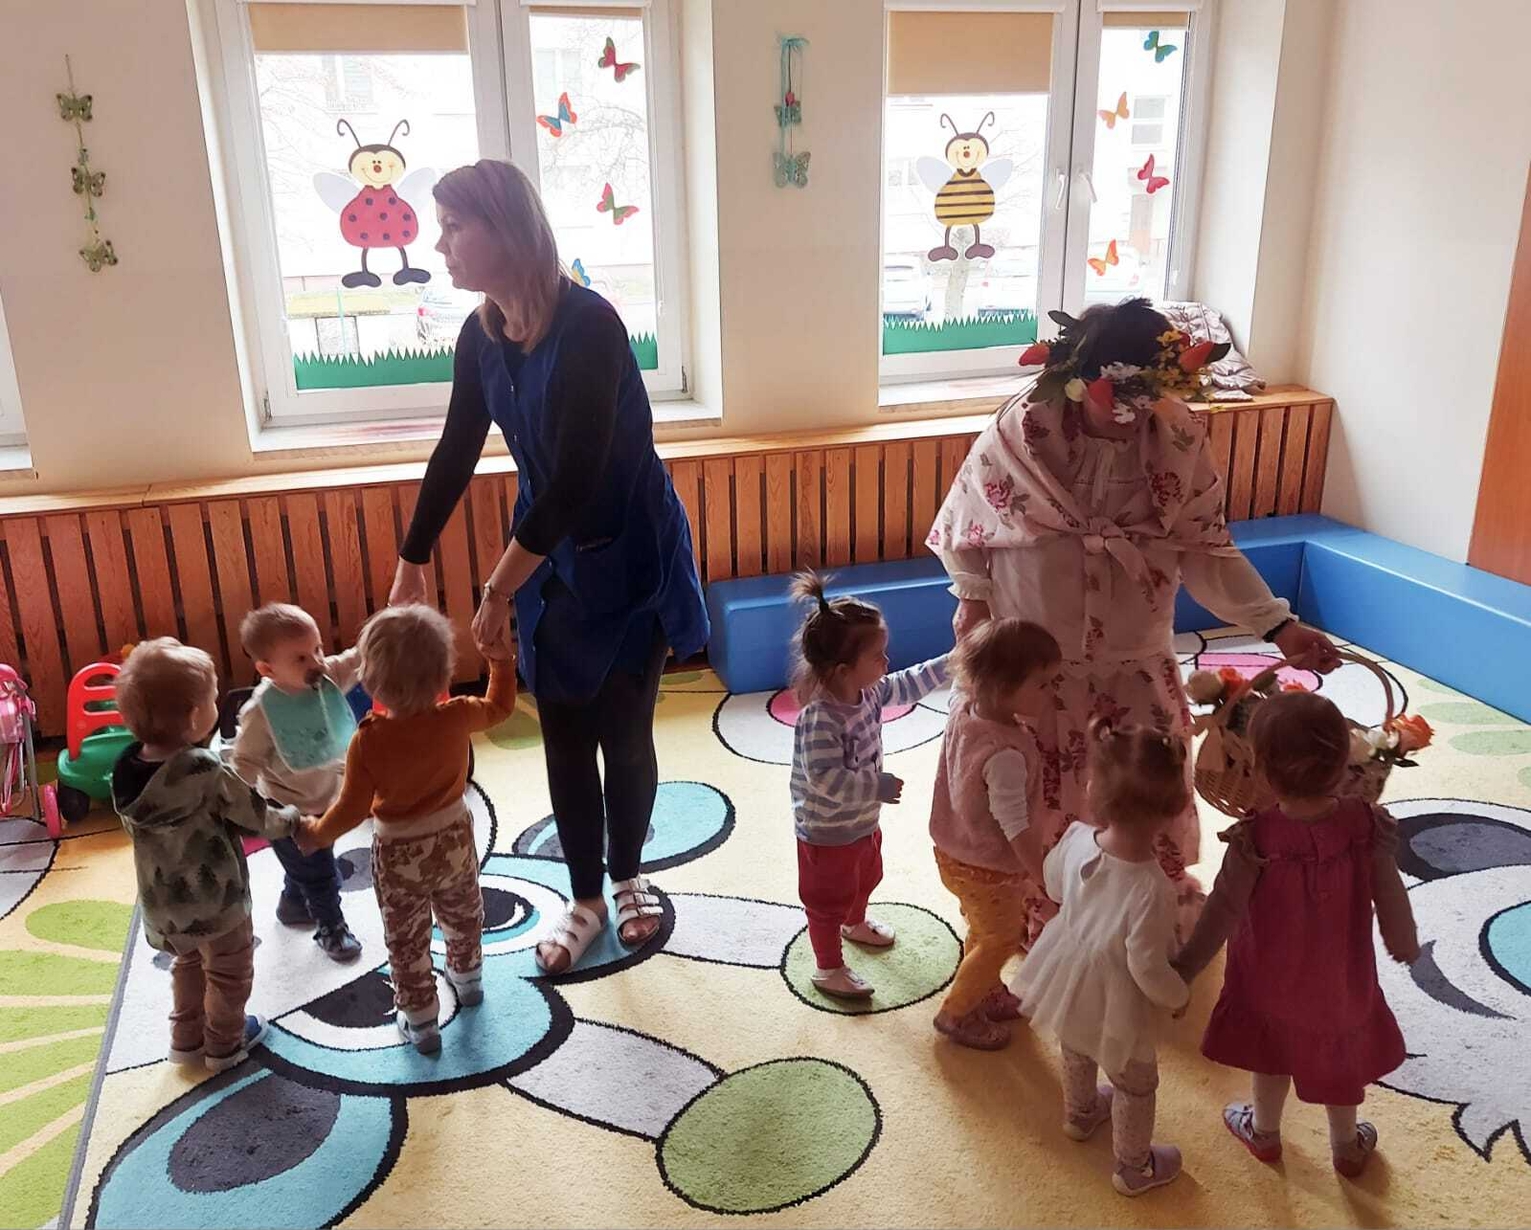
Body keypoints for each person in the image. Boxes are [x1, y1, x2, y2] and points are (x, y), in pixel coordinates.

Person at [389, 160, 707, 976]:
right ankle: (585, 898)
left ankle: (628, 876)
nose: (438, 245)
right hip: (550, 557)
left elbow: (575, 478)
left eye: (453, 227)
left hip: (629, 553)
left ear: (506, 231)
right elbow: (457, 448)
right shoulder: (480, 334)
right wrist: (412, 558)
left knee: (625, 734)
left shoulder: (591, 325)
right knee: (563, 736)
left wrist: (496, 589)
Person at [927, 300, 1340, 926]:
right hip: (1038, 651)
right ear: (1081, 378)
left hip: (1132, 649)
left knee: (1140, 778)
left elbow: (1207, 549)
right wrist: (974, 598)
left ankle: (1138, 895)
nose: (1129, 415)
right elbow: (968, 522)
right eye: (1115, 399)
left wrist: (1278, 626)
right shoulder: (1024, 430)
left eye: (1146, 400)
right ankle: (1042, 903)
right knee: (1031, 785)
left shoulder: (1177, 437)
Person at [1173, 691, 1420, 1178]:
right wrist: (1403, 940)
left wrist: (1185, 968)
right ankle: (1346, 1145)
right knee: (1338, 1058)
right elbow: (1388, 886)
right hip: (1340, 980)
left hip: (1267, 980)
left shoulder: (1254, 837)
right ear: (1344, 765)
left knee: (1271, 1052)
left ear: (1261, 770)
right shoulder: (1365, 824)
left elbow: (1222, 909)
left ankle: (1264, 1133)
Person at [298, 605, 516, 1054]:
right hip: (454, 840)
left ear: (371, 684)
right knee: (463, 912)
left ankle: (421, 1020)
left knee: (407, 937)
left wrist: (317, 833)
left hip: (400, 855)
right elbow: (500, 706)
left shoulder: (369, 740)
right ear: (445, 675)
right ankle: (468, 979)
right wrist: (500, 662)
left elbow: (351, 809)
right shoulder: (457, 715)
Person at [1012, 719, 1192, 1197]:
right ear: (1173, 811)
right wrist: (1177, 996)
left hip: (1065, 967)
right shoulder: (1153, 887)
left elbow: (1054, 886)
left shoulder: (1074, 837)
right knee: (1135, 1080)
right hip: (1116, 994)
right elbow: (1146, 964)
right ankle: (1133, 1166)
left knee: (1075, 1043)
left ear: (1094, 790)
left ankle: (1080, 1112)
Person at [111, 638, 308, 1072]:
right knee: (229, 971)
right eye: (213, 698)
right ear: (195, 716)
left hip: (163, 906)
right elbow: (256, 815)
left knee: (187, 963)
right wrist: (293, 819)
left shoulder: (126, 773)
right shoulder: (204, 769)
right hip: (216, 901)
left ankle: (185, 1039)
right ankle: (224, 1044)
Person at [789, 572, 950, 1000]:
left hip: (861, 821)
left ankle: (855, 922)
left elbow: (908, 684)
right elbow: (824, 779)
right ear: (843, 669)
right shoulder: (821, 718)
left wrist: (950, 663)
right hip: (826, 832)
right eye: (878, 655)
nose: (887, 661)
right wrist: (873, 785)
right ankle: (827, 967)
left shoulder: (870, 692)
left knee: (866, 876)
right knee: (826, 900)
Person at [928, 617, 1061, 1049]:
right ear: (1004, 688)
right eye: (1042, 684)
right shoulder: (1005, 755)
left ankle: (984, 989)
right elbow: (1015, 826)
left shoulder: (963, 707)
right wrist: (1040, 873)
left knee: (985, 929)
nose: (1051, 692)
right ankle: (956, 1013)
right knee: (1002, 937)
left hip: (953, 852)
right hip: (986, 866)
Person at [227, 603, 363, 962]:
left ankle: (293, 904)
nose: (316, 661)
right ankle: (331, 928)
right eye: (301, 658)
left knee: (306, 863)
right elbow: (245, 761)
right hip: (286, 810)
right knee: (321, 874)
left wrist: (386, 624)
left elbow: (356, 658)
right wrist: (235, 805)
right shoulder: (262, 711)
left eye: (317, 648)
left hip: (327, 798)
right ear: (267, 669)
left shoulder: (324, 677)